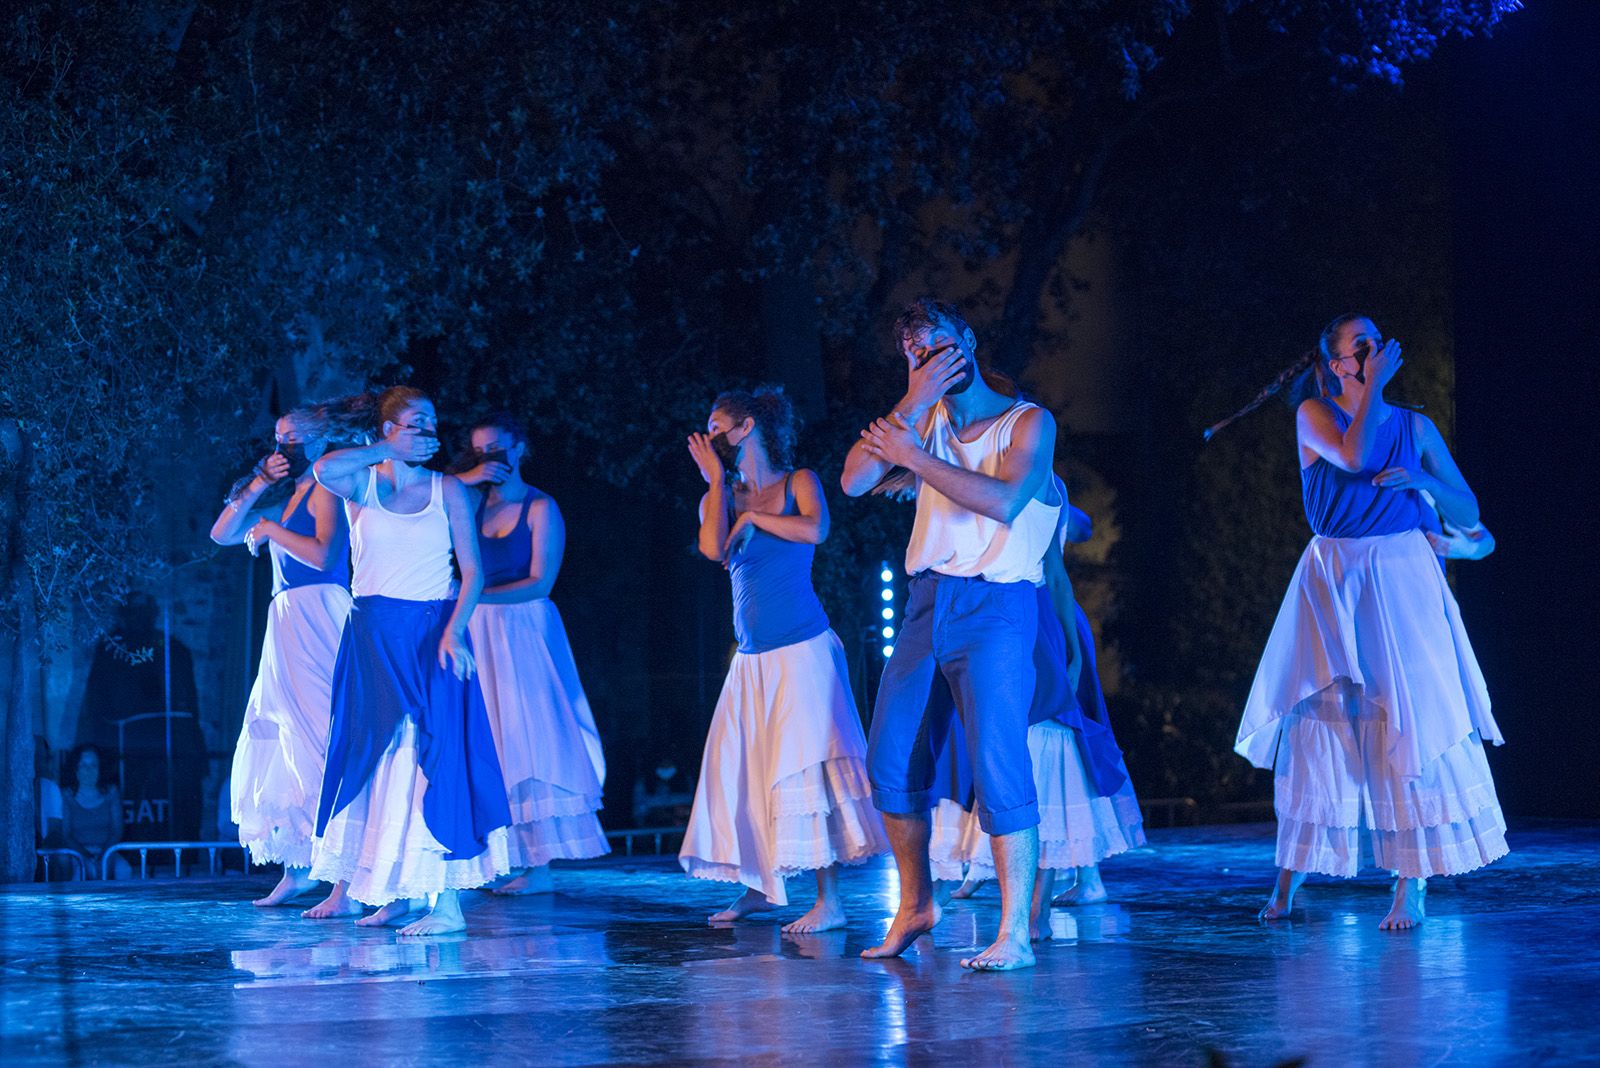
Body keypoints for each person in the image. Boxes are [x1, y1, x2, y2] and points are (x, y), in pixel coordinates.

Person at [1225, 314, 1507, 931]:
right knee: (1321, 714)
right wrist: (1372, 387)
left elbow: (1468, 509)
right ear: (1335, 364)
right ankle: (1288, 881)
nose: (1375, 352)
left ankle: (1412, 885)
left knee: (1409, 713)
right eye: (1361, 348)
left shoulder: (1416, 425)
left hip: (1401, 571)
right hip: (1335, 572)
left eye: (1377, 343)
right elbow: (1355, 458)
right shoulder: (1315, 416)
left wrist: (1426, 477)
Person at [841, 297, 1060, 970]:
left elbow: (1002, 501)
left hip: (997, 607)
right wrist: (910, 407)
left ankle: (1014, 933)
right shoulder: (922, 419)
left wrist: (916, 458)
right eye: (915, 353)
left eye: (938, 345)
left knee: (999, 764)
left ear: (967, 340)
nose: (930, 360)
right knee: (891, 760)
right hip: (926, 600)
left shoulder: (1028, 422)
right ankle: (916, 904)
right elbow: (852, 482)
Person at [679, 386, 887, 934]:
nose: (709, 435)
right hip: (751, 661)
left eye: (717, 425)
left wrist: (756, 521)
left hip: (802, 650)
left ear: (746, 427)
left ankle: (829, 900)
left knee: (807, 768)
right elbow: (710, 549)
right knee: (750, 771)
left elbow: (815, 530)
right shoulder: (718, 497)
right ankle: (758, 888)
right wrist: (722, 489)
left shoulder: (799, 482)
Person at [308, 386, 511, 937]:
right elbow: (325, 469)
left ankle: (445, 907)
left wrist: (455, 632)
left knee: (432, 758)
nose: (428, 431)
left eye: (432, 422)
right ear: (388, 428)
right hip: (372, 637)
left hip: (429, 635)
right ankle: (395, 890)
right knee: (377, 762)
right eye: (415, 422)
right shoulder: (362, 484)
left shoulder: (449, 490)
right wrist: (386, 452)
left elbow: (472, 573)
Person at [453, 414, 609, 895]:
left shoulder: (541, 507)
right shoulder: (469, 503)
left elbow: (540, 581)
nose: (490, 460)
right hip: (478, 628)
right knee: (490, 736)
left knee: (530, 732)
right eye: (480, 452)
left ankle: (538, 863)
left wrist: (474, 600)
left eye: (497, 450)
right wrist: (468, 480)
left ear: (519, 450)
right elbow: (429, 500)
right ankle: (498, 856)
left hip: (523, 626)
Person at [210, 401, 356, 909]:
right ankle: (298, 866)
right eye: (277, 438)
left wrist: (271, 531)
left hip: (320, 616)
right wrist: (255, 481)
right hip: (286, 624)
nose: (282, 447)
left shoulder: (326, 488)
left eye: (291, 437)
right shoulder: (287, 495)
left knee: (320, 735)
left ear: (317, 440)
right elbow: (222, 532)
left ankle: (347, 877)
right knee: (281, 732)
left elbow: (323, 554)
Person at [61, 744, 131, 879]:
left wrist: (103, 856)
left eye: (93, 765)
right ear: (75, 769)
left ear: (100, 769)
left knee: (124, 870)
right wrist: (86, 857)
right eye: (83, 765)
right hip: (77, 853)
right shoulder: (67, 795)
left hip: (107, 850)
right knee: (80, 873)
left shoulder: (112, 792)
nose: (88, 770)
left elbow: (117, 831)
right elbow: (66, 835)